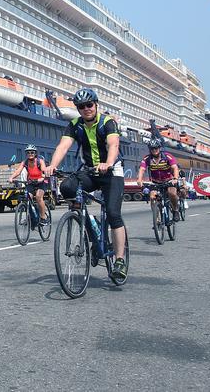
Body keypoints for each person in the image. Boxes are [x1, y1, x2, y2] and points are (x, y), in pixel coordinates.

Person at [44, 88, 128, 281]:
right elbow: (63, 147)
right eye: (81, 106)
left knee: (114, 214)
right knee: (67, 187)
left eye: (89, 105)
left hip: (111, 171)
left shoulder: (107, 122)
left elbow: (113, 145)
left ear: (96, 104)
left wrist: (108, 163)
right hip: (90, 170)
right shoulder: (74, 125)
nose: (86, 109)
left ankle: (120, 260)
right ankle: (91, 225)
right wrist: (52, 166)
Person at [136, 138, 180, 221]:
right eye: (152, 149)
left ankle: (175, 210)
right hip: (155, 182)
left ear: (159, 148)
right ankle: (157, 219)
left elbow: (175, 168)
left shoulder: (167, 156)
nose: (154, 150)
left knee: (172, 193)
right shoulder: (147, 159)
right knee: (152, 197)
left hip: (169, 180)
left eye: (156, 148)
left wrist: (175, 178)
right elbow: (142, 169)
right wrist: (139, 179)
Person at [8, 144, 50, 226]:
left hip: (42, 182)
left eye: (32, 152)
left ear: (35, 153)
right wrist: (11, 177)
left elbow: (44, 170)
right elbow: (18, 171)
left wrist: (43, 177)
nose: (30, 154)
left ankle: (43, 217)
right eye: (28, 153)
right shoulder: (25, 162)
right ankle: (30, 217)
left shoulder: (40, 161)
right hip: (31, 182)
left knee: (38, 197)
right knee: (27, 197)